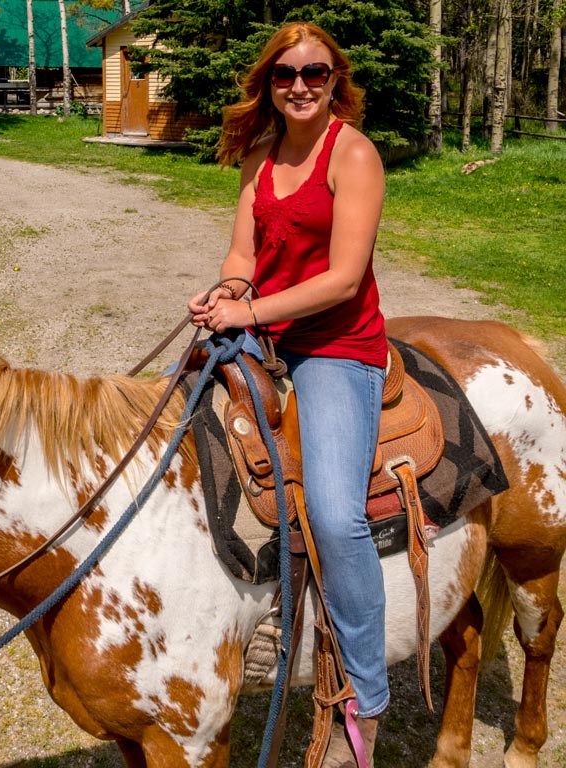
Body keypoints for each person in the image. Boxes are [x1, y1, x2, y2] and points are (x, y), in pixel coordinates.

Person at [187, 22, 387, 767]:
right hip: (266, 334)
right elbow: (243, 252)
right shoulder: (259, 155)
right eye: (285, 74)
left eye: (315, 72)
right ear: (267, 83)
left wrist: (248, 310)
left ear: (336, 79)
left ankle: (364, 697)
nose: (300, 85)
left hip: (336, 347)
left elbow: (341, 277)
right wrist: (225, 291)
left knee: (335, 518)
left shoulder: (354, 154)